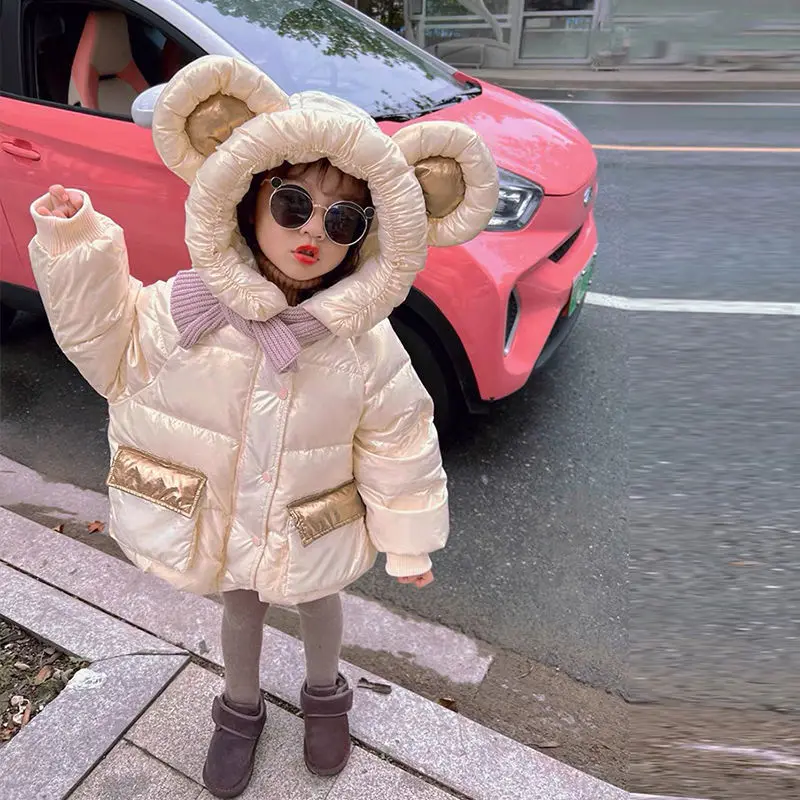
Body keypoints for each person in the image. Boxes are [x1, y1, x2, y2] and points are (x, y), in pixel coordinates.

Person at [29, 55, 497, 798]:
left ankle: (326, 696)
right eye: (293, 204)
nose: (313, 232)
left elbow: (400, 436)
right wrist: (75, 243)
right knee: (240, 604)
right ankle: (239, 709)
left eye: (342, 220)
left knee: (319, 598)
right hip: (223, 517)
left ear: (366, 238)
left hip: (313, 519)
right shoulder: (187, 309)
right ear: (249, 199)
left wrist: (407, 538)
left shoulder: (362, 342)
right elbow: (106, 346)